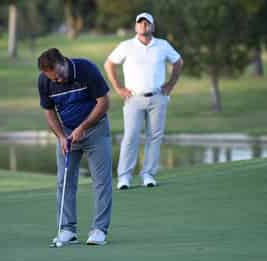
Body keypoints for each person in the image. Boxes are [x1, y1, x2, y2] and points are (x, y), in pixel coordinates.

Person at [37, 48, 112, 246]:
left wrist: (83, 127)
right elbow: (49, 111)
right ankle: (67, 230)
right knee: (64, 180)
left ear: (64, 62)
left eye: (60, 75)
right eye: (54, 79)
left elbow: (104, 102)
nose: (58, 80)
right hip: (68, 133)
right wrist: (61, 136)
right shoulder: (45, 81)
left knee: (101, 181)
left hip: (96, 129)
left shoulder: (86, 69)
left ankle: (99, 230)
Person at [104, 12, 183, 190]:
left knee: (154, 137)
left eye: (147, 23)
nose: (143, 26)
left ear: (152, 27)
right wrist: (118, 88)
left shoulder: (162, 45)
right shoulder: (126, 46)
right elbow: (109, 64)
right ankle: (124, 177)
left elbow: (178, 62)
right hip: (134, 99)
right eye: (140, 23)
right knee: (130, 137)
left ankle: (148, 174)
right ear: (135, 26)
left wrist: (170, 85)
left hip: (157, 97)